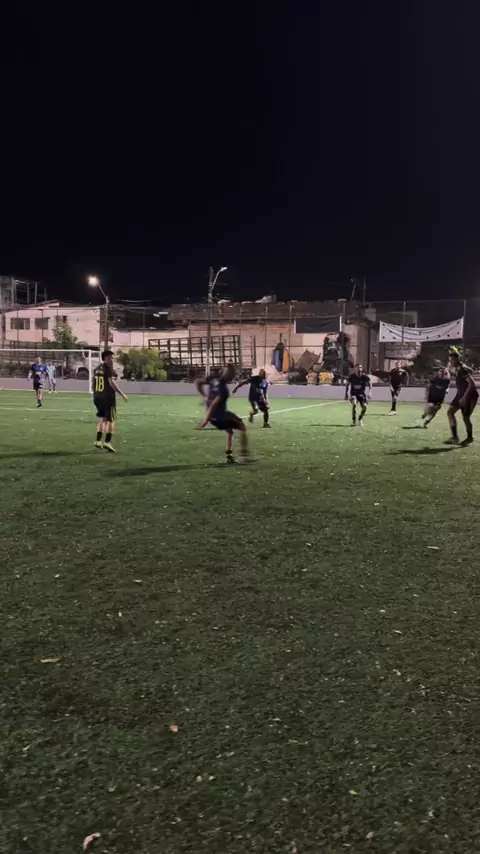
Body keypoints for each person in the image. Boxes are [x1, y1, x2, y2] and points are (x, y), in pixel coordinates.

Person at [196, 363, 249, 462]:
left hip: (213, 417)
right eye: (233, 375)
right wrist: (205, 420)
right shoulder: (224, 390)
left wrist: (204, 396)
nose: (233, 377)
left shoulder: (213, 378)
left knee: (229, 431)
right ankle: (245, 456)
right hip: (219, 416)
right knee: (243, 426)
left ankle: (229, 455)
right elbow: (214, 404)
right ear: (228, 374)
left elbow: (198, 382)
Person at [92, 350, 128, 452]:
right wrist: (122, 394)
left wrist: (95, 394)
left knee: (103, 418)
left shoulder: (97, 369)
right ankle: (107, 442)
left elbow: (93, 383)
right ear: (105, 359)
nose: (112, 360)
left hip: (97, 397)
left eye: (112, 358)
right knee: (111, 420)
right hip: (107, 397)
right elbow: (112, 383)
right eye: (110, 358)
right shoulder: (108, 369)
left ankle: (98, 441)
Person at [445, 348, 478, 445]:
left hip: (469, 396)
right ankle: (455, 437)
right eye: (449, 360)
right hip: (460, 394)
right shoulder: (459, 367)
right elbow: (470, 370)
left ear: (456, 359)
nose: (450, 362)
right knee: (450, 412)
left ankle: (469, 438)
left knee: (466, 417)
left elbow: (472, 384)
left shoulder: (461, 369)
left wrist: (464, 398)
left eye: (451, 360)